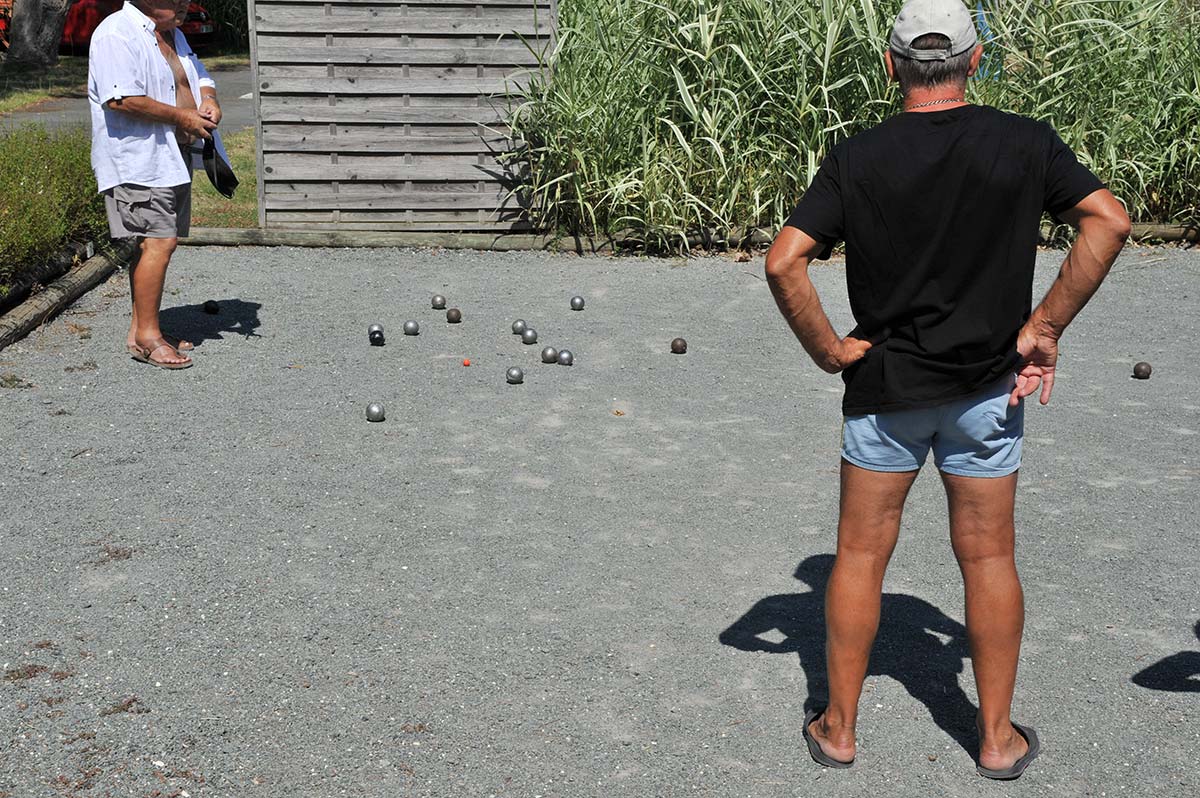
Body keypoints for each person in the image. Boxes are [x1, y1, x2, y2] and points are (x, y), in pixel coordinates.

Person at [764, 0, 1130, 780]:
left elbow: (783, 261)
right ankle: (997, 741)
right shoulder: (1023, 143)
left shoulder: (857, 156)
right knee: (989, 556)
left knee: (859, 555)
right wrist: (1045, 326)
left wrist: (830, 349)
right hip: (986, 393)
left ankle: (838, 730)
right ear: (976, 59)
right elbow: (1108, 220)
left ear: (892, 64)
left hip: (887, 390)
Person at [88, 0, 225, 369]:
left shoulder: (173, 35)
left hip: (172, 156)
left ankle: (142, 330)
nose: (185, 5)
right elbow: (121, 99)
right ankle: (148, 338)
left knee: (159, 242)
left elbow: (198, 75)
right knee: (158, 242)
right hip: (140, 160)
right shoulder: (116, 32)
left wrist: (208, 99)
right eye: (177, 0)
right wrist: (182, 115)